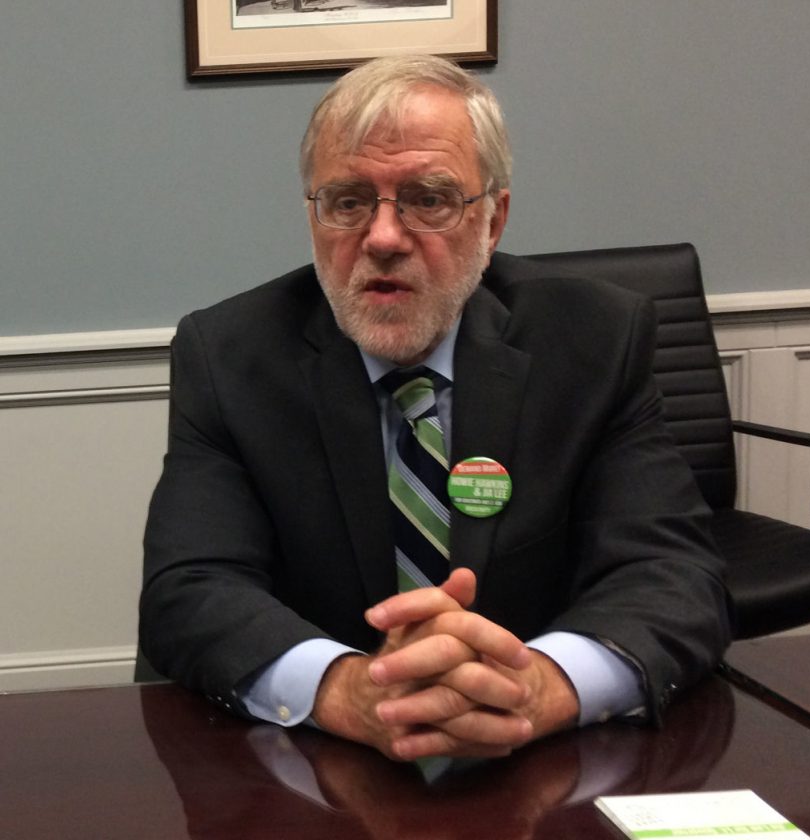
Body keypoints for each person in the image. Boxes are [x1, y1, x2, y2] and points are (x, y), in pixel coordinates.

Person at [140, 54, 731, 762]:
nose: (384, 238)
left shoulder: (597, 339)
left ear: (493, 221)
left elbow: (671, 573)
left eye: (429, 199)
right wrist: (350, 690)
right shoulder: (227, 355)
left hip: (537, 760)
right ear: (313, 216)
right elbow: (192, 587)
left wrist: (539, 688)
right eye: (348, 201)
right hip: (315, 763)